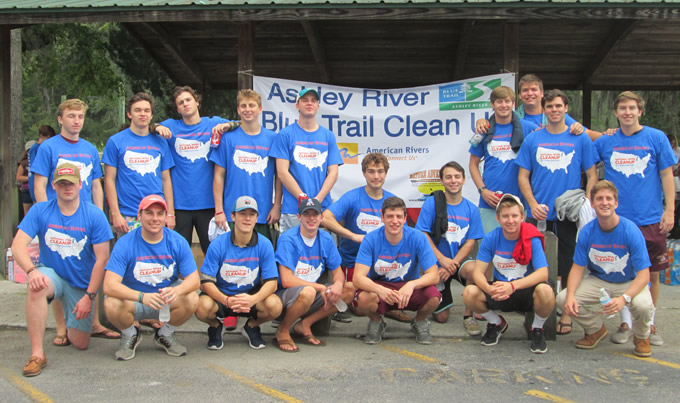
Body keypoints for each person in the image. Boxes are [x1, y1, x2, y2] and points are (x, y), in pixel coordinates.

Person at [12, 163, 113, 376]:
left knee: (80, 342)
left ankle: (68, 315)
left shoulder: (95, 215)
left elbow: (102, 259)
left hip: (80, 283)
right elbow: (17, 245)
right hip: (51, 274)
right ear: (53, 186)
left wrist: (89, 296)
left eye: (71, 183)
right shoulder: (41, 210)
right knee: (37, 287)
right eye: (62, 183)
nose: (67, 187)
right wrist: (31, 271)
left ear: (80, 184)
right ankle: (37, 354)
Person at [593, 91, 677, 346]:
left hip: (650, 218)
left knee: (651, 272)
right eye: (622, 108)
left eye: (632, 108)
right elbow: (587, 158)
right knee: (621, 271)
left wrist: (670, 210)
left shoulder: (656, 137)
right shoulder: (607, 141)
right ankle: (626, 322)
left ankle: (648, 323)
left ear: (640, 111)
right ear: (616, 113)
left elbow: (666, 176)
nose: (627, 112)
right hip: (616, 220)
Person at [30, 100, 117, 344]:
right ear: (60, 119)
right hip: (56, 219)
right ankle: (61, 327)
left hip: (86, 220)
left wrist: (99, 215)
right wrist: (43, 218)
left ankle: (95, 322)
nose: (76, 120)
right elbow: (39, 185)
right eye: (71, 116)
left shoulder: (89, 148)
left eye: (80, 116)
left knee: (93, 267)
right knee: (58, 268)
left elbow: (97, 184)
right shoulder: (48, 148)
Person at [515, 89, 598, 336]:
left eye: (558, 106)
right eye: (549, 106)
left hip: (568, 216)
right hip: (538, 214)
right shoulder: (533, 139)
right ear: (544, 108)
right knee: (535, 265)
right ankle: (536, 312)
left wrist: (586, 201)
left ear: (566, 109)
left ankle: (567, 315)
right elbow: (523, 176)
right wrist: (531, 204)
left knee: (568, 266)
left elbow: (592, 175)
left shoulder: (579, 138)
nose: (554, 110)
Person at [557, 180, 654, 357]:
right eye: (599, 198)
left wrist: (624, 299)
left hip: (629, 281)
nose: (604, 202)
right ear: (592, 204)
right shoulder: (587, 232)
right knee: (563, 299)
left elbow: (644, 275)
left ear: (616, 203)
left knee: (643, 305)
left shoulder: (630, 231)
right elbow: (577, 269)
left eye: (609, 198)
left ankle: (641, 337)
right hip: (599, 280)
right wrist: (570, 296)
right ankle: (595, 330)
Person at [103, 194, 199, 360]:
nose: (155, 218)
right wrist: (142, 297)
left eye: (159, 214)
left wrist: (178, 291)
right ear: (139, 216)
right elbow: (109, 285)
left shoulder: (177, 241)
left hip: (165, 300)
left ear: (165, 217)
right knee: (111, 302)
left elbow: (194, 280)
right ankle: (130, 334)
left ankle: (165, 334)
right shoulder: (125, 243)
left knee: (191, 298)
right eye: (149, 213)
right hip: (135, 299)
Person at [462, 193, 555, 353]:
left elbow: (543, 274)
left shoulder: (531, 238)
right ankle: (497, 323)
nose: (510, 220)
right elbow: (478, 273)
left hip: (524, 289)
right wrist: (489, 288)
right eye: (505, 216)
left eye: (514, 216)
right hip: (500, 290)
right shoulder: (491, 238)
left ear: (522, 217)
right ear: (498, 218)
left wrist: (512, 286)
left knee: (546, 290)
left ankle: (537, 329)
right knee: (469, 292)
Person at [322, 152, 409, 323]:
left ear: (386, 173)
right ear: (364, 173)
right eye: (371, 171)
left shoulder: (392, 201)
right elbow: (325, 218)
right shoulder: (353, 197)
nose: (376, 176)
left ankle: (387, 307)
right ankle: (379, 307)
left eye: (380, 171)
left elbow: (402, 233)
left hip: (383, 264)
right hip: (354, 262)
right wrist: (353, 236)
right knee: (361, 308)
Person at [153, 86, 238, 254]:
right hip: (179, 206)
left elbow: (242, 123)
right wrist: (156, 127)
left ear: (197, 102)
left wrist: (228, 125)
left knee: (213, 253)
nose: (185, 104)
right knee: (177, 254)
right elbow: (147, 124)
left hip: (208, 205)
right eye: (180, 103)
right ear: (177, 108)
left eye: (188, 100)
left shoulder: (213, 123)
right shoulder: (171, 126)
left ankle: (210, 281)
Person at [196, 196, 282, 350]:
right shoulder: (218, 244)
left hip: (250, 296)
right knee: (201, 307)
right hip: (222, 296)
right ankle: (216, 327)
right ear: (233, 216)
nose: (247, 218)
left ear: (257, 218)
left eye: (251, 214)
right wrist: (226, 300)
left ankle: (252, 326)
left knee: (275, 305)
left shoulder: (264, 244)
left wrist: (252, 299)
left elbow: (272, 282)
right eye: (242, 214)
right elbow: (205, 282)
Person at [353, 196, 441, 345]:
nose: (395, 221)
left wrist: (412, 285)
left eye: (399, 216)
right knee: (364, 299)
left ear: (405, 218)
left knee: (434, 297)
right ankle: (376, 322)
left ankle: (419, 322)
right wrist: (380, 290)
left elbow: (434, 275)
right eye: (390, 216)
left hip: (407, 288)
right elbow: (357, 278)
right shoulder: (371, 239)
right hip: (381, 286)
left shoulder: (418, 237)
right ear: (382, 217)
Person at [273, 198, 352, 352]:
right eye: (306, 214)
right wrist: (320, 287)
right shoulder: (288, 239)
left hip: (313, 294)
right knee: (308, 291)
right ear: (299, 217)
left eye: (315, 214)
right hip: (285, 297)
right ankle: (283, 329)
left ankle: (305, 324)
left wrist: (337, 285)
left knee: (349, 289)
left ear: (321, 218)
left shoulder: (326, 239)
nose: (311, 218)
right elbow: (286, 280)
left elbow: (338, 273)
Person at [415, 161, 484, 335]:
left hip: (457, 262)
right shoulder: (432, 203)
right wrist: (441, 260)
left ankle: (469, 316)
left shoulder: (471, 209)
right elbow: (423, 234)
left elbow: (470, 242)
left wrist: (452, 263)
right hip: (437, 263)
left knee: (475, 269)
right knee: (442, 317)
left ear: (463, 180)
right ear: (442, 181)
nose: (453, 181)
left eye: (457, 177)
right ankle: (435, 295)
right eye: (448, 177)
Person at [211, 89, 282, 241]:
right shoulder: (227, 138)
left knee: (261, 261)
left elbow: (279, 176)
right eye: (243, 106)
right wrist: (219, 210)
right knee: (233, 261)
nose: (247, 109)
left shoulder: (272, 138)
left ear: (260, 109)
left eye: (252, 105)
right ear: (238, 109)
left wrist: (276, 206)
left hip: (263, 214)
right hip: (233, 214)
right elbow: (218, 175)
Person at [270, 88, 343, 232]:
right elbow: (282, 173)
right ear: (297, 105)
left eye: (313, 100)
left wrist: (317, 201)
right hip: (293, 209)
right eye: (304, 100)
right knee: (292, 254)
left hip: (323, 209)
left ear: (318, 106)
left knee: (324, 253)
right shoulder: (285, 135)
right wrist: (303, 199)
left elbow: (333, 173)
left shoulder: (328, 136)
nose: (309, 103)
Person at [102, 93, 176, 234]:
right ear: (129, 114)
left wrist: (170, 213)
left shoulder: (161, 142)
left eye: (146, 110)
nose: (142, 114)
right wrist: (115, 214)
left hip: (157, 214)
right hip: (128, 214)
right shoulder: (115, 142)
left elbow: (166, 180)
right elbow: (109, 180)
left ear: (152, 115)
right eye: (138, 110)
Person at [468, 86, 539, 233]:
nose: (504, 105)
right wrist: (483, 191)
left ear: (513, 103)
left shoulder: (529, 128)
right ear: (492, 104)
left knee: (517, 252)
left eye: (507, 101)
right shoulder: (485, 130)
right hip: (490, 201)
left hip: (519, 202)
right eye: (499, 102)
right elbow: (473, 164)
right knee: (489, 250)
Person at [475, 74, 599, 141]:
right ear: (519, 95)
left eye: (534, 89)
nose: (529, 93)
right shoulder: (513, 117)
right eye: (525, 90)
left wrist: (613, 134)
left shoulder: (556, 115)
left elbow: (589, 134)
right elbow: (496, 124)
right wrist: (483, 121)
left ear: (542, 93)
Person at [27, 125, 57, 203]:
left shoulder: (38, 148)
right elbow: (37, 168)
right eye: (48, 138)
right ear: (41, 136)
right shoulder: (37, 148)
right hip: (35, 183)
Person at [17, 144, 33, 216]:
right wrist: (30, 178)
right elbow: (19, 177)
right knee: (27, 214)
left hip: (38, 190)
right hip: (26, 190)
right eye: (30, 150)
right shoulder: (23, 163)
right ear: (26, 152)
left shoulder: (40, 162)